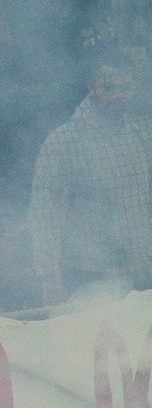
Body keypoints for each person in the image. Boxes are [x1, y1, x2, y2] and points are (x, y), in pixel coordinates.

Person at [29, 52, 152, 302]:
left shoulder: (140, 136)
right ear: (92, 86)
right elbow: (44, 215)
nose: (119, 94)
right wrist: (50, 280)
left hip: (142, 273)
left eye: (126, 87)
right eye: (109, 87)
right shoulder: (63, 142)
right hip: (89, 277)